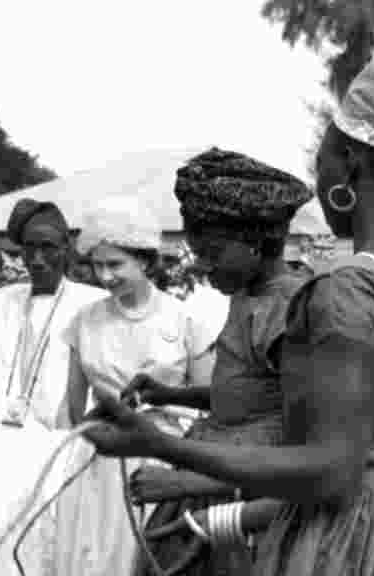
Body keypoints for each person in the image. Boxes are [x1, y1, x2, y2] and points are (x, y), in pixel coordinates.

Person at [81, 32, 374, 575]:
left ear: (344, 165)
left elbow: (329, 472)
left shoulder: (345, 292)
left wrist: (162, 446)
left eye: (321, 156)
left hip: (372, 544)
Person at [122, 148, 312, 575]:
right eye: (196, 252)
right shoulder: (247, 294)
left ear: (257, 242)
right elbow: (248, 398)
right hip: (212, 484)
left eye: (212, 251)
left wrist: (186, 482)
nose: (203, 265)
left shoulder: (289, 311)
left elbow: (306, 453)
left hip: (246, 511)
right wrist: (169, 394)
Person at [53, 196, 218, 576]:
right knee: (96, 555)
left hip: (165, 456)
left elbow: (211, 403)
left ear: (143, 260)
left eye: (115, 264)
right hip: (101, 458)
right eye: (97, 265)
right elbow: (73, 404)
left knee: (154, 554)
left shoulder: (184, 319)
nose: (105, 276)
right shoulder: (84, 321)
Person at [0, 198, 107, 575]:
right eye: (28, 248)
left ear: (66, 248)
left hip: (65, 449)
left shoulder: (95, 307)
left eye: (47, 248)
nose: (36, 259)